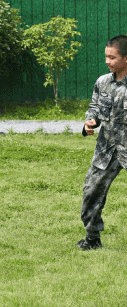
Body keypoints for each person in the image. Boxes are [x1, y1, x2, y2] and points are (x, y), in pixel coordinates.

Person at [77, 34, 127, 251]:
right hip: (107, 148)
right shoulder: (102, 82)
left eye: (113, 57)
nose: (108, 61)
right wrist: (90, 122)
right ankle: (92, 239)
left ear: (126, 58)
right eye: (106, 56)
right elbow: (95, 107)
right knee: (91, 193)